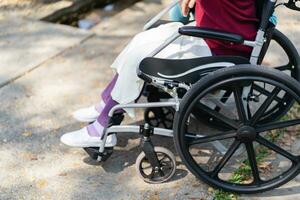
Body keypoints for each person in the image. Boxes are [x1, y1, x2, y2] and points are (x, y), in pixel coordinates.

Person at [60, 0, 258, 148]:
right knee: (142, 40)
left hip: (220, 45)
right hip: (215, 35)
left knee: (141, 56)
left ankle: (103, 126)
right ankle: (107, 105)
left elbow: (178, 15)